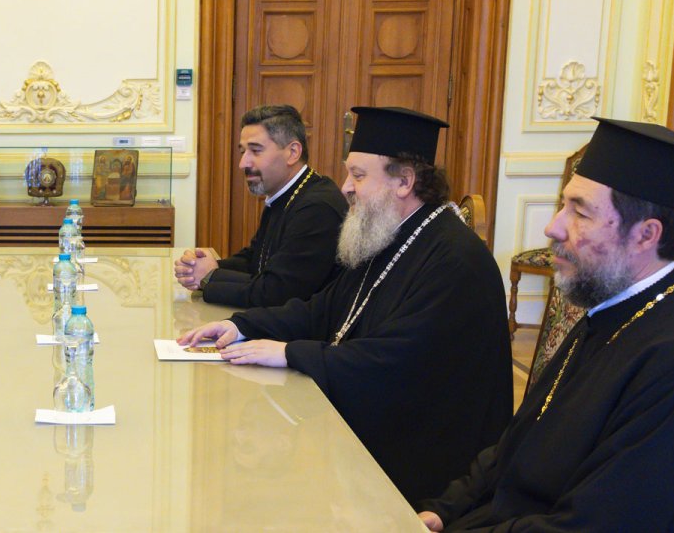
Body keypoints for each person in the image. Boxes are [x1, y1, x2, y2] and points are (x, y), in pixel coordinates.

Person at [418, 118, 674, 532]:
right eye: (563, 205)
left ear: (646, 235)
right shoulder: (610, 311)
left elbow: (596, 525)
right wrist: (445, 510)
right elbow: (518, 444)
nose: (552, 226)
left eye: (580, 212)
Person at [178, 106, 512, 505]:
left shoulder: (455, 260)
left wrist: (289, 353)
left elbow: (397, 360)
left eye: (358, 175)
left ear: (404, 181)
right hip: (385, 422)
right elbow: (323, 309)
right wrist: (242, 326)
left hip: (429, 461)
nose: (346, 187)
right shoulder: (390, 234)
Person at [175, 105, 347, 308]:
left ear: (292, 152)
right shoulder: (284, 194)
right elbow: (255, 260)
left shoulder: (318, 209)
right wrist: (203, 267)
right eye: (243, 151)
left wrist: (211, 276)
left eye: (255, 151)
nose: (243, 163)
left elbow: (278, 293)